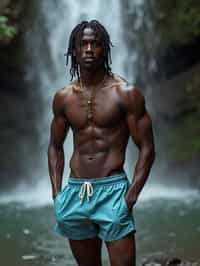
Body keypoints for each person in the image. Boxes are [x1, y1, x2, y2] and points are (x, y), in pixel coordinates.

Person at [48, 20, 155, 266]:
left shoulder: (126, 93)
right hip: (75, 193)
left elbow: (147, 149)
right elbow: (54, 146)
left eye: (95, 44)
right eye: (83, 44)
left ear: (104, 49)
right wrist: (57, 194)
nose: (88, 49)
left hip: (114, 191)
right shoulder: (63, 97)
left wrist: (130, 198)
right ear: (73, 50)